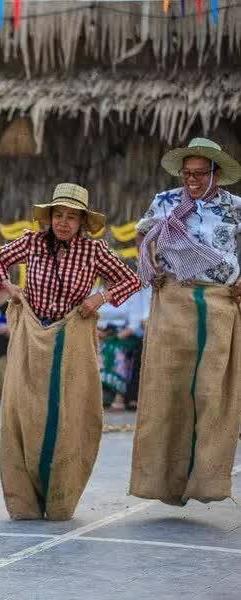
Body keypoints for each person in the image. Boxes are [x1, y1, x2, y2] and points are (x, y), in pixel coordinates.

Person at [0, 183, 141, 521]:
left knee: (68, 413)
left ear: (83, 222)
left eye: (72, 217)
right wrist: (9, 287)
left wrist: (99, 298)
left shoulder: (94, 250)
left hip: (71, 336)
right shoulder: (31, 242)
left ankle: (60, 498)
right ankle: (24, 500)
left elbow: (131, 280)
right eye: (59, 215)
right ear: (50, 217)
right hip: (32, 331)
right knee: (25, 409)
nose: (64, 222)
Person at [130, 138, 241, 507]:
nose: (191, 180)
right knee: (168, 390)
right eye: (187, 173)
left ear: (217, 174)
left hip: (219, 303)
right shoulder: (165, 202)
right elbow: (143, 233)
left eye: (199, 174)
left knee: (214, 394)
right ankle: (163, 484)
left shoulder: (237, 209)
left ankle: (207, 484)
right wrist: (150, 263)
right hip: (174, 300)